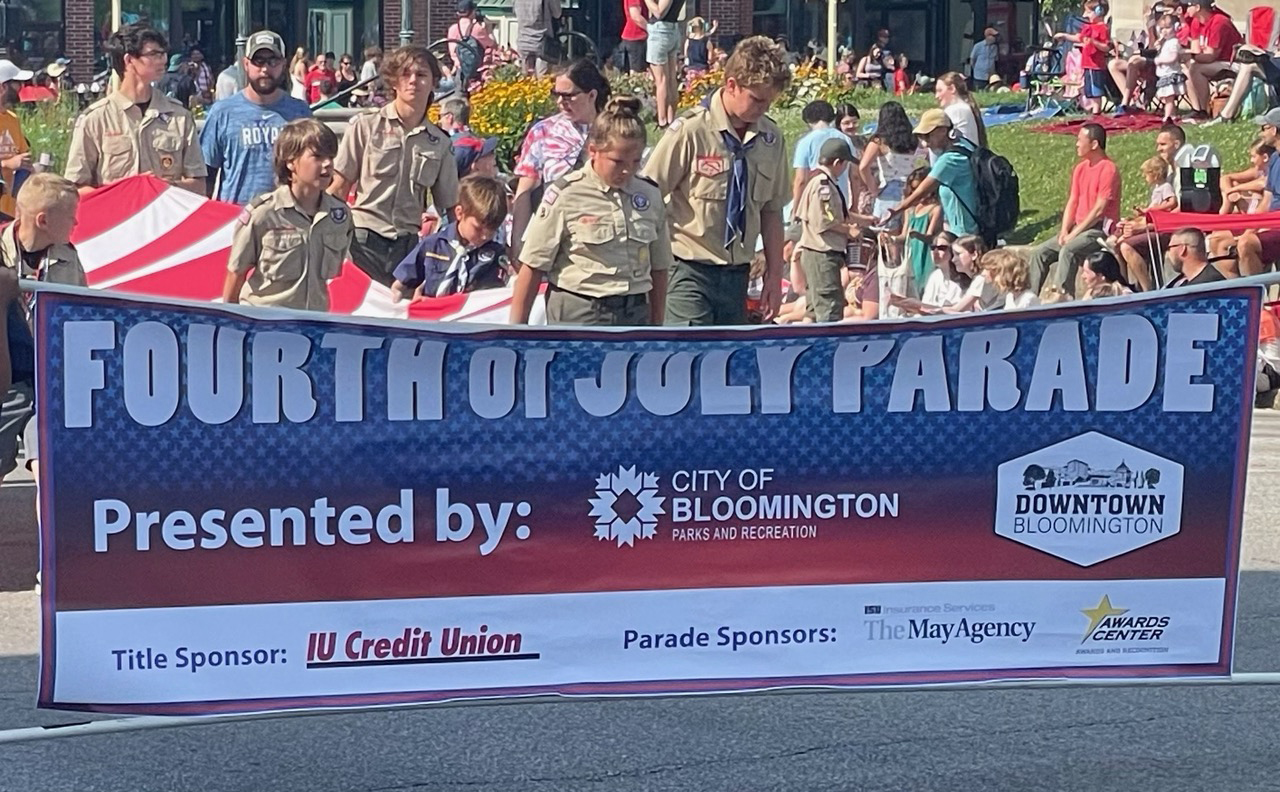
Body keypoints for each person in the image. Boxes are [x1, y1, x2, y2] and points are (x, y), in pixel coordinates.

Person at [641, 35, 790, 325]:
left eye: (769, 102)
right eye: (757, 99)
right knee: (689, 356)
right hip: (688, 270)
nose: (764, 109)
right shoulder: (691, 131)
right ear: (731, 85)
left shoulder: (771, 138)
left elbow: (772, 211)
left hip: (737, 275)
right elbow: (649, 196)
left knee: (725, 363)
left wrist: (774, 273)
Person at [512, 96, 671, 325]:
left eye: (635, 162)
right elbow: (533, 266)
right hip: (581, 311)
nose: (627, 171)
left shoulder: (648, 195)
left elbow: (659, 267)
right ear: (593, 150)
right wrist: (516, 333)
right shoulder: (566, 194)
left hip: (635, 310)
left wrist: (658, 328)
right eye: (617, 162)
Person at [330, 46, 459, 286]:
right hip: (362, 241)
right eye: (405, 74)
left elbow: (450, 207)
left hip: (407, 250)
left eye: (421, 75)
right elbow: (338, 188)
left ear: (433, 83)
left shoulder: (440, 143)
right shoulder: (366, 127)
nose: (413, 81)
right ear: (393, 81)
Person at [0, 174, 84, 480]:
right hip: (8, 381)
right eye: (71, 217)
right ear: (43, 221)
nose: (76, 223)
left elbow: (83, 317)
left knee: (49, 467)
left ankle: (51, 526)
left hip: (51, 381)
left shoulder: (68, 258)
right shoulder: (1, 252)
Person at [224, 119, 352, 311]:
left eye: (330, 157)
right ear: (291, 162)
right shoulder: (264, 214)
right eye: (317, 156)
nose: (327, 164)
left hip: (313, 324)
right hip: (265, 323)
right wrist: (230, 322)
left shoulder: (338, 216)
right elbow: (236, 273)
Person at [65, 24, 206, 195]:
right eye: (154, 54)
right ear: (129, 60)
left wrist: (165, 187)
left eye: (163, 54)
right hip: (117, 219)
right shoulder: (96, 119)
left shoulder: (179, 116)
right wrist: (125, 191)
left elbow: (199, 186)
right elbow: (75, 190)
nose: (163, 60)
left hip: (164, 218)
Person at [510, 59, 609, 260]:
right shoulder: (543, 132)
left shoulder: (613, 131)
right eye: (557, 95)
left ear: (591, 95)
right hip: (553, 234)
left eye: (568, 96)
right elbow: (525, 191)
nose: (560, 103)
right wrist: (518, 244)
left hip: (600, 235)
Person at [200, 31, 311, 206]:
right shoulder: (222, 112)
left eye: (272, 61)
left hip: (289, 220)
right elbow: (206, 175)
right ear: (246, 64)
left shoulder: (300, 113)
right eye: (258, 61)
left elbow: (312, 170)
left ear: (283, 64)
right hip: (236, 220)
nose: (265, 69)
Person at [1026, 122, 1120, 297]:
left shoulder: (1109, 169)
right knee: (1040, 252)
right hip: (1078, 228)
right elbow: (1073, 201)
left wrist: (1073, 234)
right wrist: (1064, 230)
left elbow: (1099, 209)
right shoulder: (1080, 168)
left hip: (1098, 230)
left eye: (1080, 140)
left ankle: (1062, 296)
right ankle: (1029, 298)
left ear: (1094, 144)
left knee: (1069, 249)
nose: (1076, 144)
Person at [393, 174, 509, 301]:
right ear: (460, 213)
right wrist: (405, 302)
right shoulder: (432, 246)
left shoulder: (495, 256)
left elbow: (494, 298)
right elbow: (399, 286)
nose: (485, 236)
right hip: (430, 317)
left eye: (492, 230)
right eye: (478, 228)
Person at [794, 138, 862, 323]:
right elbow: (824, 220)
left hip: (819, 253)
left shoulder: (823, 182)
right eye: (845, 164)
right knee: (829, 305)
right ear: (837, 162)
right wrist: (849, 231)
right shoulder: (822, 185)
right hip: (822, 253)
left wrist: (867, 220)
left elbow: (837, 214)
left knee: (815, 308)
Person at [891, 109, 980, 239]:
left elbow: (922, 191)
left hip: (964, 232)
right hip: (971, 227)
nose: (925, 143)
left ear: (943, 130)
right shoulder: (964, 145)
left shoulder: (950, 159)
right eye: (922, 138)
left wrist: (896, 210)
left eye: (928, 136)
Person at [858, 101, 927, 231]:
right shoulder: (913, 139)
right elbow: (924, 158)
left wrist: (873, 189)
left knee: (887, 234)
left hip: (889, 187)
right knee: (908, 232)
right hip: (911, 188)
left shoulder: (879, 141)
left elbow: (863, 166)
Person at [1233, 109, 1280, 277]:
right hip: (1271, 221)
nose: (1262, 132)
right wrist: (1250, 229)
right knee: (1223, 240)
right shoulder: (1275, 159)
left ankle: (1256, 298)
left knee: (1246, 244)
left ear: (1274, 130)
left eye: (1265, 127)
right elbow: (1267, 200)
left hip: (1276, 223)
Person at [1183, 0, 1243, 119]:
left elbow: (1211, 56)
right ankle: (1197, 109)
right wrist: (1188, 56)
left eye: (1188, 6)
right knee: (1187, 67)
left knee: (1196, 69)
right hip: (1216, 61)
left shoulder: (1219, 22)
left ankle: (1205, 110)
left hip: (1233, 63)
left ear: (1198, 7)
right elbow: (1196, 51)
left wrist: (1191, 56)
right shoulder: (1196, 22)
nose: (1186, 9)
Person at [791, 100, 855, 210]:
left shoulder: (805, 142)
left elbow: (801, 180)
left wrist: (796, 208)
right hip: (841, 198)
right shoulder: (846, 139)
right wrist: (854, 204)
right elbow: (855, 175)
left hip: (814, 200)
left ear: (808, 120)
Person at [1055, 3, 1111, 115]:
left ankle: (1096, 112)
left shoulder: (1102, 28)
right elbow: (1078, 38)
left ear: (1099, 12)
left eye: (1089, 12)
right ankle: (1092, 109)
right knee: (1089, 90)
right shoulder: (1088, 28)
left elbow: (1106, 47)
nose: (1085, 15)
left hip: (1096, 65)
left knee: (1096, 90)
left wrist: (1094, 42)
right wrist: (1065, 36)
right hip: (1087, 64)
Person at [899, 166, 942, 288]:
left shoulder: (935, 209)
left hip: (925, 256)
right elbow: (903, 236)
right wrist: (891, 239)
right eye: (913, 189)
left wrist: (918, 235)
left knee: (924, 286)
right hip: (910, 256)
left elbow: (930, 237)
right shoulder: (910, 209)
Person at [645, 0, 684, 128]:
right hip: (672, 29)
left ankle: (662, 121)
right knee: (671, 79)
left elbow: (659, 12)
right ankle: (671, 118)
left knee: (661, 80)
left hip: (661, 32)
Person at [0, 60, 31, 219]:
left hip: (10, 209)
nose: (21, 87)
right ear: (2, 88)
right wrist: (7, 164)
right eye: (17, 83)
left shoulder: (13, 120)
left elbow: (22, 157)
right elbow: (12, 162)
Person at [943, 234, 1000, 311]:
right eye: (953, 255)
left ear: (974, 255)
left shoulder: (982, 277)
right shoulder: (978, 277)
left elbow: (957, 309)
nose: (953, 260)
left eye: (958, 254)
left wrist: (926, 310)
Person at [933, 71, 987, 149]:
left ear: (952, 89)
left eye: (940, 90)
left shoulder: (955, 110)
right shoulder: (965, 108)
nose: (936, 96)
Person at [448, 0, 497, 85]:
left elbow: (453, 53)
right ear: (472, 12)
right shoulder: (477, 28)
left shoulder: (452, 29)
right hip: (476, 73)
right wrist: (489, 31)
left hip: (459, 71)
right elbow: (493, 45)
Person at [1152, 12, 1186, 122]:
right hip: (1164, 74)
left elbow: (1173, 58)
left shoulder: (1174, 42)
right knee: (1166, 98)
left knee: (1169, 98)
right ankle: (1173, 114)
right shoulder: (1166, 42)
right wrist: (1159, 46)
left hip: (1170, 74)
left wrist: (1160, 60)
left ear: (1176, 27)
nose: (1164, 31)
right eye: (1162, 29)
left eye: (1167, 27)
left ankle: (1168, 116)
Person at [515, 0, 562, 76]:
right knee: (543, 81)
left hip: (523, 41)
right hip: (542, 43)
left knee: (525, 81)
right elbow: (557, 13)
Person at [617, 0, 647, 74]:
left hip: (636, 37)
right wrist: (652, 30)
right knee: (637, 73)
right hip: (636, 36)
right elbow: (636, 16)